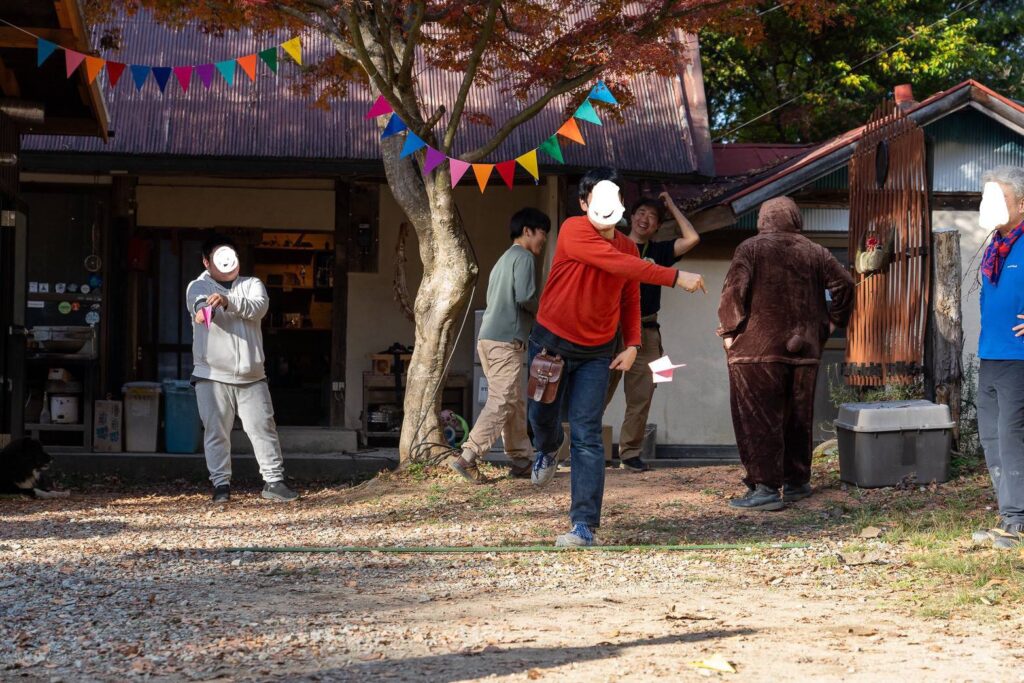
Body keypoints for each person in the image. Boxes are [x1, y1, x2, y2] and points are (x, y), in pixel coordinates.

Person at [529, 167, 706, 547]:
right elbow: (617, 264)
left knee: (587, 434)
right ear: (584, 203)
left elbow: (630, 295)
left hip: (597, 351)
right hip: (551, 343)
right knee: (541, 415)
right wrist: (675, 277)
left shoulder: (629, 248)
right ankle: (545, 446)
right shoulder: (574, 230)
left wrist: (632, 344)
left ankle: (583, 525)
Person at [717, 197, 853, 511]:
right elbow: (845, 284)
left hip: (756, 350)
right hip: (804, 347)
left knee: (758, 418)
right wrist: (831, 322)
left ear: (762, 219)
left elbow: (733, 292)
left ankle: (765, 488)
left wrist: (729, 332)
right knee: (798, 417)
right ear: (795, 219)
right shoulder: (816, 251)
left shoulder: (750, 248)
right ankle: (796, 482)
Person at [186, 233, 298, 504]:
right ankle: (220, 486)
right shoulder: (198, 286)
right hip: (211, 375)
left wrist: (228, 302)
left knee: (263, 428)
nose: (228, 263)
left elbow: (258, 308)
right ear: (206, 262)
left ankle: (274, 482)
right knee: (216, 432)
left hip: (252, 375)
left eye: (231, 257)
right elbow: (199, 308)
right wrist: (204, 311)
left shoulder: (252, 284)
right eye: (219, 258)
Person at [449, 207, 551, 483]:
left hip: (489, 338)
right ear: (527, 231)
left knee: (514, 399)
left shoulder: (504, 259)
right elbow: (526, 297)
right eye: (542, 233)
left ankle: (522, 460)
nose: (544, 239)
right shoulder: (525, 257)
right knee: (503, 399)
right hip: (507, 340)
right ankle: (468, 456)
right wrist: (546, 312)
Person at [604, 192, 701, 471]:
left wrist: (671, 205)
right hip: (610, 330)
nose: (645, 219)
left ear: (658, 225)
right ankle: (582, 448)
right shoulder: (613, 245)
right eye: (641, 213)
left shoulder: (658, 251)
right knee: (596, 390)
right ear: (631, 216)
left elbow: (693, 238)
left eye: (653, 216)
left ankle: (630, 453)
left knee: (643, 393)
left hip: (646, 330)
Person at [972, 167, 1024, 549]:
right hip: (990, 355)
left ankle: (1017, 523)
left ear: (1022, 204)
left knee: (1011, 438)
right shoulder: (995, 248)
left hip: (1018, 359)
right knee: (991, 438)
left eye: (1000, 198)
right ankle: (1009, 515)